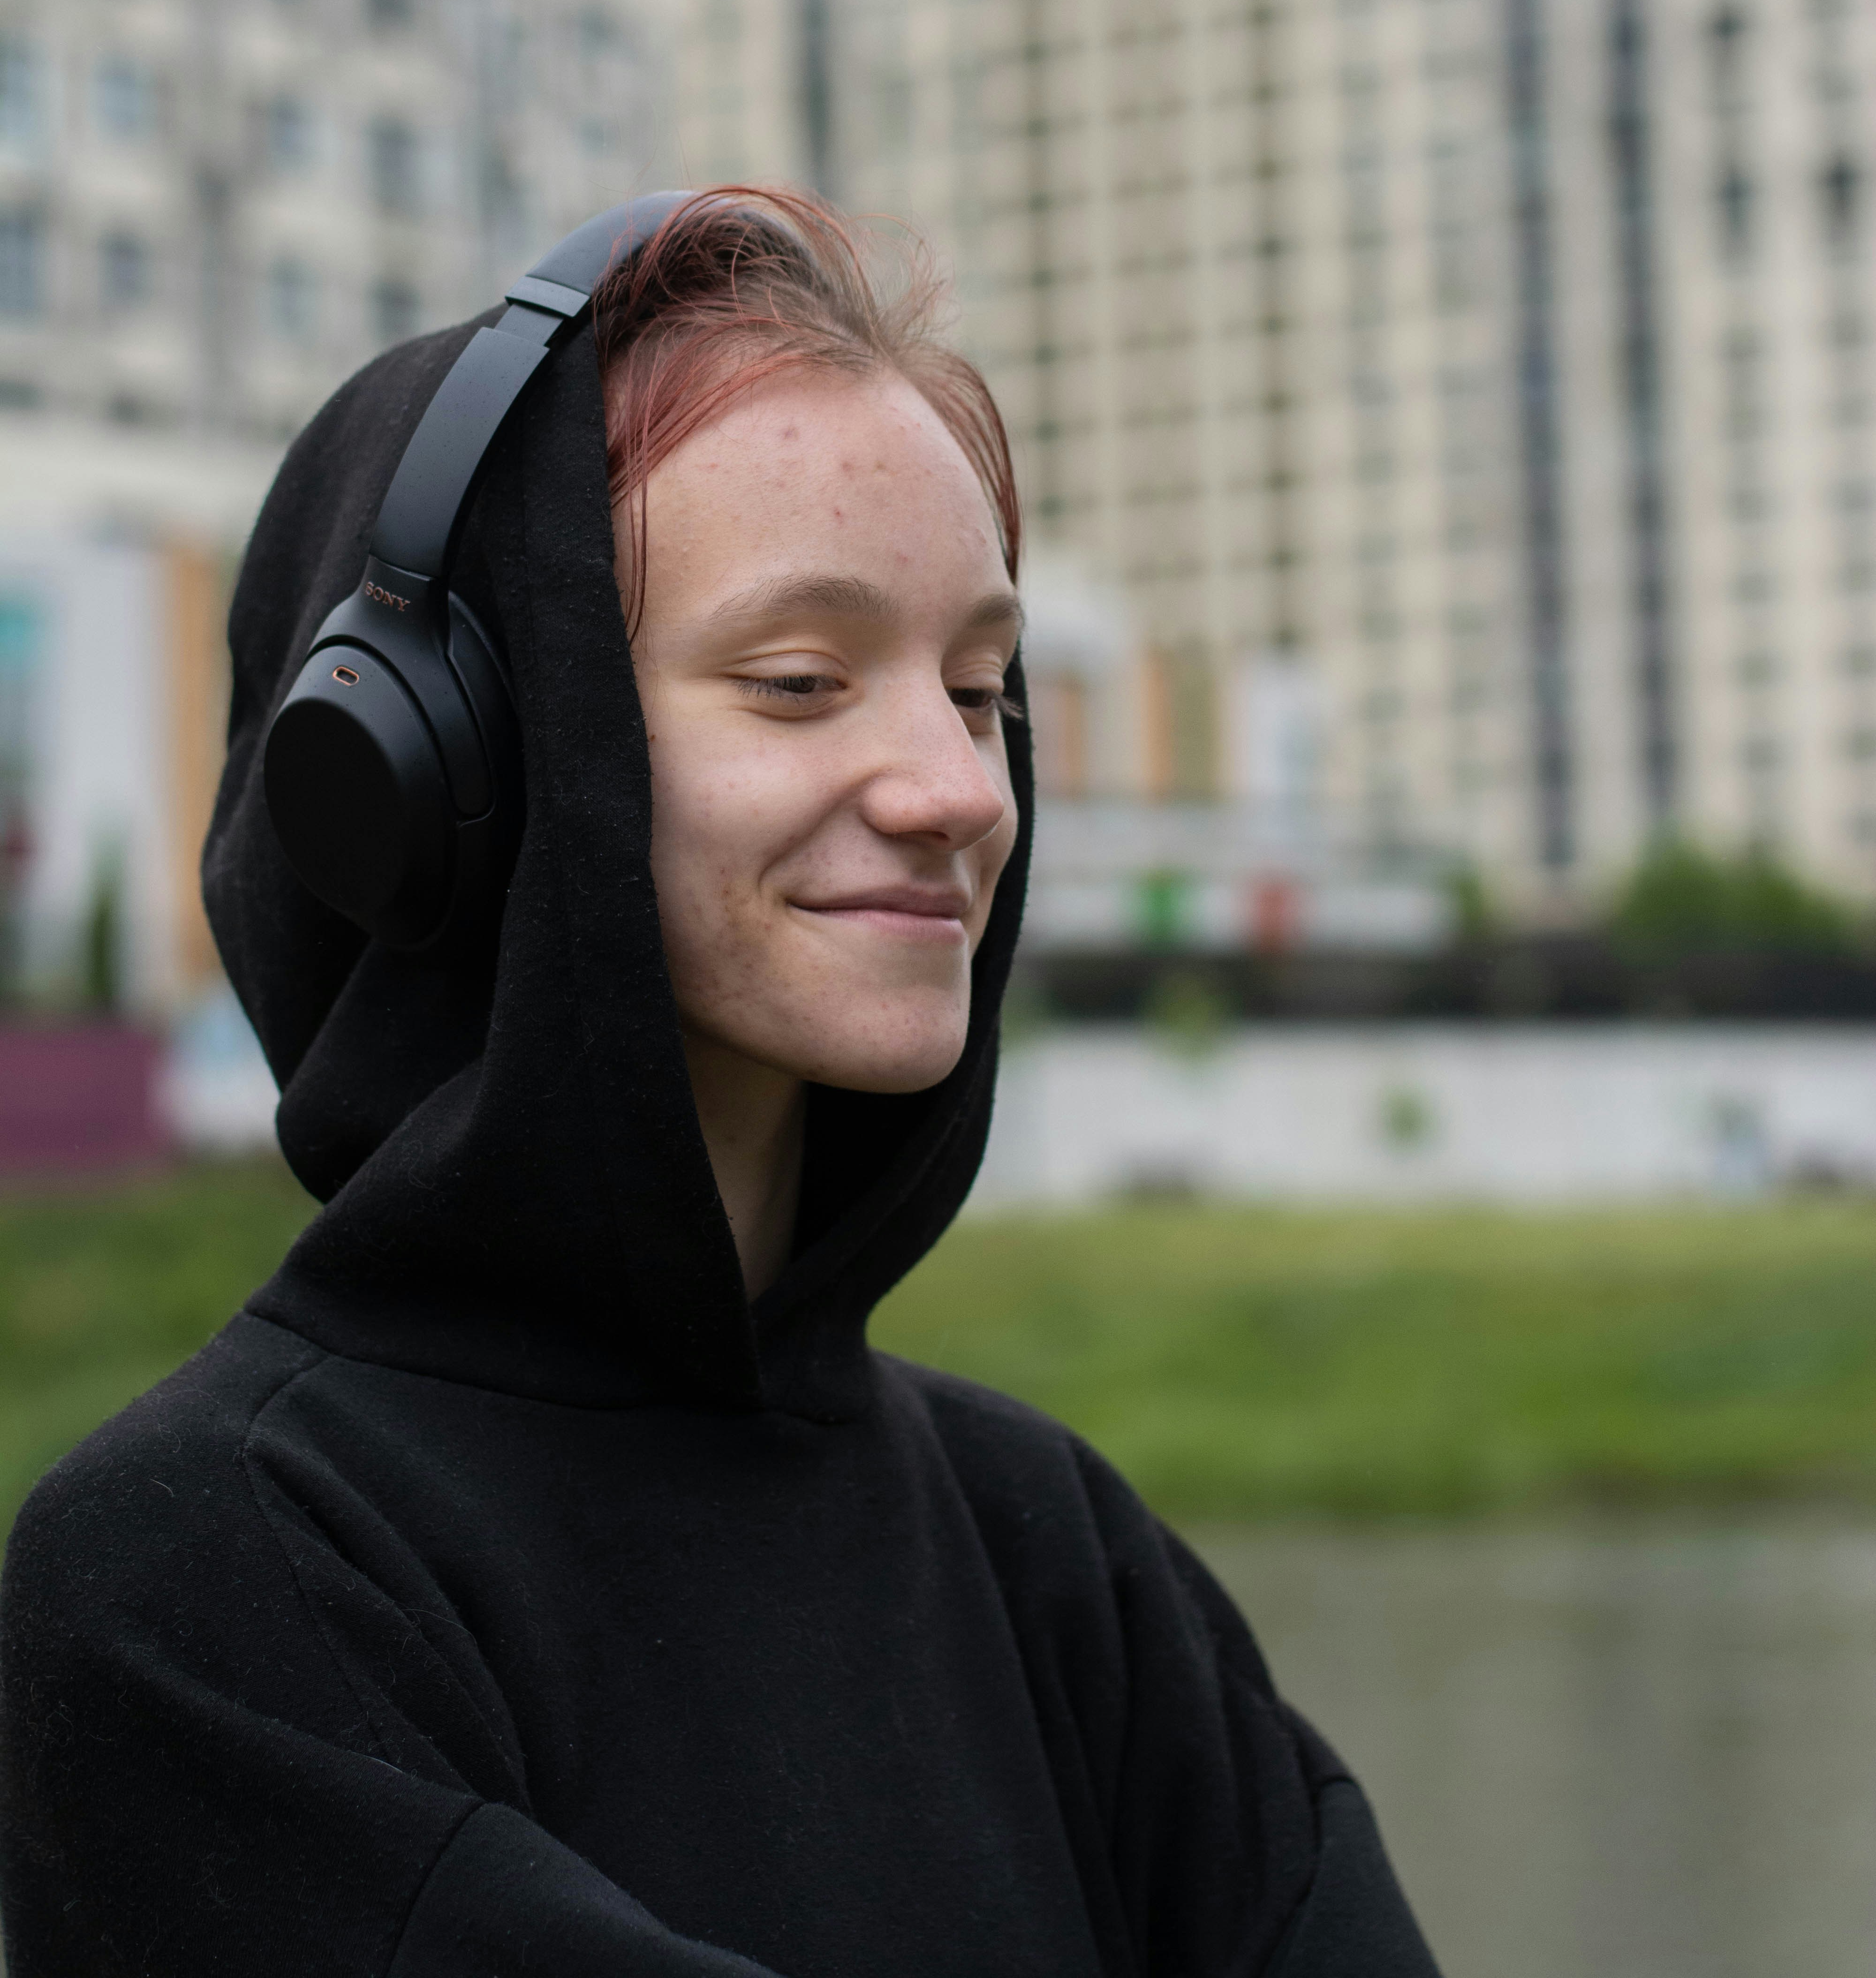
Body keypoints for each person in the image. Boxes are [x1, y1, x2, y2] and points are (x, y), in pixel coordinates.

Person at [0, 191, 1439, 1976]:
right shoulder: (208, 1577)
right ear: (446, 768)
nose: (956, 787)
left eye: (981, 689)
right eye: (800, 680)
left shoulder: (1058, 1551)